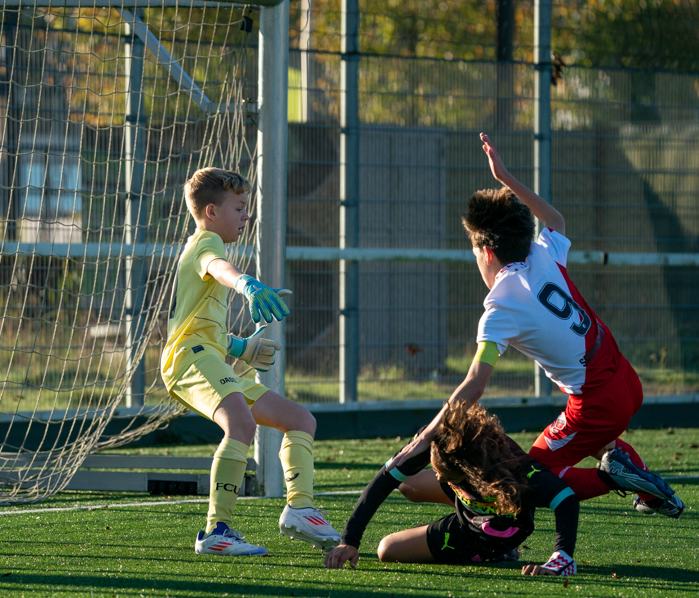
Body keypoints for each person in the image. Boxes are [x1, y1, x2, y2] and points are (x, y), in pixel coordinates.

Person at [389, 133, 684, 519]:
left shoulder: (499, 304)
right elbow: (555, 219)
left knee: (532, 477)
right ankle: (650, 492)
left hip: (596, 401)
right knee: (601, 440)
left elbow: (475, 382)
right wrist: (506, 177)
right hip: (627, 382)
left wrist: (428, 433)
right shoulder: (543, 253)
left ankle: (615, 479)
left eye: (475, 253)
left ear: (487, 252)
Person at [161, 167, 342, 556]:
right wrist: (247, 284)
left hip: (206, 355)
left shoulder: (208, 243)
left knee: (299, 420)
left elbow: (201, 326)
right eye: (240, 208)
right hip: (188, 359)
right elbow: (219, 269)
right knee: (240, 424)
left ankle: (300, 507)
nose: (247, 216)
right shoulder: (205, 244)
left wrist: (241, 348)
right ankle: (216, 531)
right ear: (211, 211)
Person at [324, 400, 581, 576]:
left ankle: (499, 552)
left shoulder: (516, 467)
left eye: (441, 472)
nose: (435, 473)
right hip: (472, 502)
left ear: (469, 472)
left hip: (492, 530)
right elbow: (385, 479)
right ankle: (465, 506)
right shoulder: (438, 438)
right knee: (405, 482)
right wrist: (350, 540)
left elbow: (566, 500)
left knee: (387, 549)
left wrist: (561, 558)